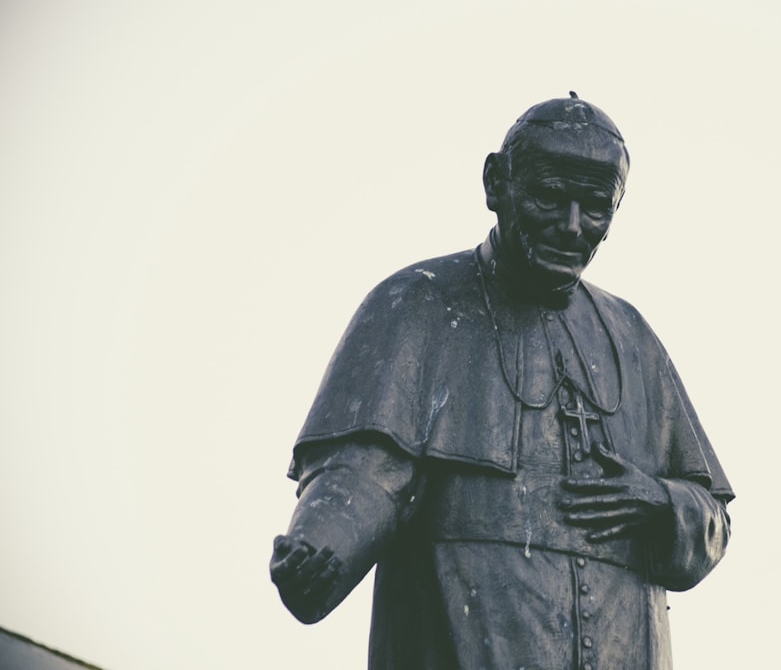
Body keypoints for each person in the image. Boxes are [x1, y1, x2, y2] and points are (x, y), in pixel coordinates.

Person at [270, 93, 734, 669]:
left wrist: (662, 503)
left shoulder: (633, 337)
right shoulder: (418, 304)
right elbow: (366, 471)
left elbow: (712, 517)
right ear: (496, 184)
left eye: (595, 207)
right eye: (547, 198)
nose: (572, 226)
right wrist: (321, 548)